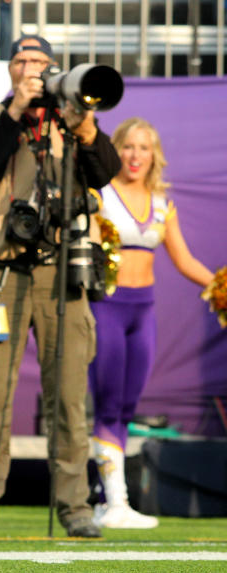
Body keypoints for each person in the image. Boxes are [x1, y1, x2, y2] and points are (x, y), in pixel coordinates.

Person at [0, 35, 121, 539]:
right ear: (10, 70)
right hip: (1, 272)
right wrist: (18, 110)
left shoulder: (73, 127)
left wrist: (87, 126)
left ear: (55, 71)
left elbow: (105, 173)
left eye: (41, 64)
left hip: (61, 274)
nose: (33, 71)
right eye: (23, 62)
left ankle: (75, 508)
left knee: (69, 398)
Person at [88, 117, 215, 529]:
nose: (135, 155)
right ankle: (115, 502)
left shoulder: (162, 202)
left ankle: (105, 500)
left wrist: (220, 285)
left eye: (143, 148)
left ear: (154, 154)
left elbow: (184, 260)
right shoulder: (100, 195)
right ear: (116, 150)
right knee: (108, 403)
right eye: (127, 146)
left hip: (143, 311)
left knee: (126, 407)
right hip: (106, 306)